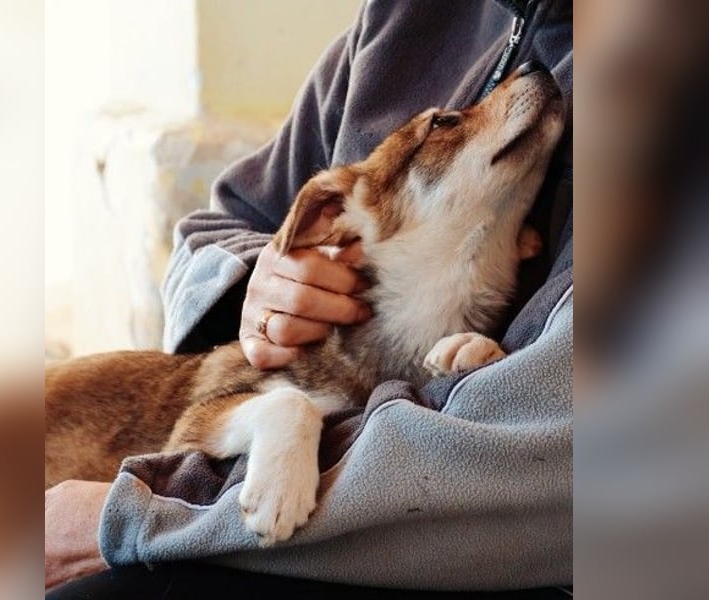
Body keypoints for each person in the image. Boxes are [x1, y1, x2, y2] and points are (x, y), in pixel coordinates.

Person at [45, 0, 573, 596]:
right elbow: (225, 220)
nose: (527, 83)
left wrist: (130, 522)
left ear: (531, 244)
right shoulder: (400, 18)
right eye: (446, 125)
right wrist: (262, 282)